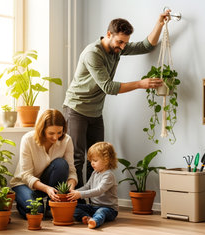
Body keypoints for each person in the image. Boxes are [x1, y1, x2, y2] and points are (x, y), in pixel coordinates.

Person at [63, 10, 171, 187]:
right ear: (108, 34)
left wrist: (160, 22)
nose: (122, 47)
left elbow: (147, 46)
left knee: (99, 158)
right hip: (76, 109)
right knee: (77, 158)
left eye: (125, 43)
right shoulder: (93, 53)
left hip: (95, 112)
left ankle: (94, 199)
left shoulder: (117, 48)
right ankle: (78, 201)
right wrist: (140, 84)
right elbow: (109, 87)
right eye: (120, 42)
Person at [10, 109, 78, 219]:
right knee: (36, 210)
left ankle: (51, 207)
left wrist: (70, 187)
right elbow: (26, 175)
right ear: (42, 130)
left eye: (59, 132)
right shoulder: (28, 139)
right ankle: (27, 203)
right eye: (51, 133)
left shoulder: (66, 140)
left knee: (61, 164)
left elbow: (71, 170)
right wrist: (47, 189)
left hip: (48, 183)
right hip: (24, 183)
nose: (55, 137)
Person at [67, 142, 118, 229]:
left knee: (101, 212)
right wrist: (75, 192)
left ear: (106, 160)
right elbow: (87, 186)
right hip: (93, 206)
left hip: (109, 209)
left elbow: (99, 190)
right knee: (72, 208)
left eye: (95, 161)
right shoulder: (95, 173)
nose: (92, 163)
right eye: (91, 161)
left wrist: (80, 195)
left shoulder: (108, 175)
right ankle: (87, 218)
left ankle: (95, 221)